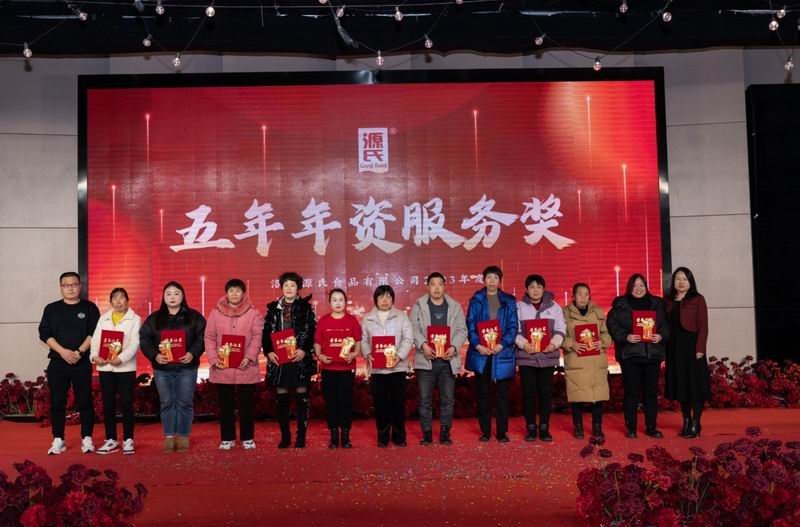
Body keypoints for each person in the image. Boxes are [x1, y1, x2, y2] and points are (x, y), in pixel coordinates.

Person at [140, 281, 206, 452]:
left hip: (187, 367)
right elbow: (144, 339)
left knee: (185, 402)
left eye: (176, 293)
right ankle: (169, 436)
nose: (172, 297)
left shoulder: (194, 317)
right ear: (163, 297)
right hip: (162, 369)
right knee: (167, 402)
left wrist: (192, 353)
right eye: (168, 294)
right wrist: (155, 355)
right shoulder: (154, 319)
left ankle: (183, 436)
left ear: (183, 296)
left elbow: (202, 337)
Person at [38, 272, 100, 455]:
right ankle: (58, 439)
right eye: (66, 285)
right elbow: (44, 333)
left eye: (74, 284)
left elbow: (94, 332)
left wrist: (79, 352)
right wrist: (63, 352)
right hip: (58, 362)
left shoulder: (90, 308)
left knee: (85, 401)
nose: (70, 288)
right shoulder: (51, 309)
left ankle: (87, 438)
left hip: (82, 362)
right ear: (61, 288)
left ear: (80, 286)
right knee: (57, 402)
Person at [607, 274, 669, 439]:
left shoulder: (657, 305)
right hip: (630, 355)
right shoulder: (620, 305)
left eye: (641, 285)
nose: (638, 288)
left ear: (646, 287)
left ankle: (651, 427)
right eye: (635, 286)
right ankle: (631, 428)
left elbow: (666, 326)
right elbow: (612, 325)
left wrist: (660, 336)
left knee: (650, 393)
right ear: (629, 287)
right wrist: (625, 336)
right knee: (631, 392)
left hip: (652, 355)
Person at [204, 279, 263, 450]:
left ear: (243, 293)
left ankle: (247, 437)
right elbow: (209, 337)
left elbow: (257, 337)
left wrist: (249, 357)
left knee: (247, 405)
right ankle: (227, 438)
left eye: (238, 290)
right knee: (226, 405)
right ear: (226, 293)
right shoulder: (215, 313)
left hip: (246, 366)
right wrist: (214, 359)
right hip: (223, 366)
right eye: (231, 290)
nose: (234, 294)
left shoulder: (253, 313)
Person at [410, 272, 468, 445]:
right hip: (425, 361)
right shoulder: (419, 305)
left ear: (444, 286)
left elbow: (462, 330)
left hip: (447, 362)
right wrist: (423, 345)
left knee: (448, 400)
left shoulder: (455, 306)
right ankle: (427, 433)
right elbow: (413, 328)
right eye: (433, 284)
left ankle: (444, 432)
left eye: (440, 284)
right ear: (427, 287)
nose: (436, 288)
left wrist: (454, 347)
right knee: (424, 400)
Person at [262, 272, 316, 449]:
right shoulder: (273, 309)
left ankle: (301, 438)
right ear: (281, 287)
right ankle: (285, 437)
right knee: (282, 400)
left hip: (299, 359)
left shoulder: (306, 308)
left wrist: (303, 350)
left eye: (292, 285)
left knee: (302, 399)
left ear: (298, 288)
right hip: (280, 361)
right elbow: (266, 333)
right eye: (286, 285)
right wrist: (269, 352)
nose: (289, 288)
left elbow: (311, 331)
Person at [465, 266, 518, 442]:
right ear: (484, 280)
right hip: (482, 353)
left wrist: (502, 344)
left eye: (495, 278)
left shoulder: (509, 301)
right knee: (483, 394)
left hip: (502, 353)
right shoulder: (476, 300)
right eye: (489, 277)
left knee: (502, 395)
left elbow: (513, 327)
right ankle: (485, 431)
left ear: (500, 280)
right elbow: (470, 325)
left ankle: (502, 432)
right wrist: (478, 345)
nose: (492, 281)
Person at [514, 274, 566, 442]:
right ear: (526, 290)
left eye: (538, 287)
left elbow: (561, 329)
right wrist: (524, 344)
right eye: (532, 287)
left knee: (546, 394)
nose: (535, 290)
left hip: (547, 356)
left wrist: (554, 344)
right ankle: (530, 427)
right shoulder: (519, 307)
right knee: (528, 394)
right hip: (526, 357)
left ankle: (544, 427)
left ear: (543, 289)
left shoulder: (555, 307)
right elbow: (514, 330)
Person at [89, 287, 142, 454]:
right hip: (105, 367)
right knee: (108, 404)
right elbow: (95, 340)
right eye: (115, 298)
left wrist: (121, 358)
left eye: (121, 298)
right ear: (110, 301)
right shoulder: (103, 318)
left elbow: (134, 344)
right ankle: (111, 439)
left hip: (125, 368)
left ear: (127, 300)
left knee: (126, 404)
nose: (118, 301)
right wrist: (94, 356)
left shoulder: (135, 319)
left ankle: (128, 440)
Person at [361, 285, 413, 447]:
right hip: (377, 369)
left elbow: (408, 339)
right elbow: (363, 340)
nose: (385, 300)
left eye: (388, 297)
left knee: (398, 404)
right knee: (380, 405)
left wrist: (399, 356)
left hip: (397, 368)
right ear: (375, 299)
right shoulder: (367, 318)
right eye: (381, 297)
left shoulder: (402, 316)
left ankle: (399, 437)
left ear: (393, 299)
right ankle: (383, 437)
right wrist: (367, 354)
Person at [561, 283, 612, 439]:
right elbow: (558, 335)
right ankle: (578, 427)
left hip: (596, 360)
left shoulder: (597, 312)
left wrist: (602, 342)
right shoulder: (564, 313)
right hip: (576, 359)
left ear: (589, 296)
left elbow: (606, 334)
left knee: (598, 396)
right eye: (579, 294)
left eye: (586, 294)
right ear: (573, 296)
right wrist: (571, 343)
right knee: (576, 395)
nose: (583, 297)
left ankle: (597, 427)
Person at [664, 267, 710, 439]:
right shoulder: (668, 301)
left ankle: (696, 423)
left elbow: (703, 327)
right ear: (673, 282)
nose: (681, 282)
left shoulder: (698, 299)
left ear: (690, 281)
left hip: (692, 347)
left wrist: (700, 349)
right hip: (675, 348)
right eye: (678, 279)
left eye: (684, 279)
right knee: (682, 386)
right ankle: (686, 421)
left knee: (695, 386)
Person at [314, 288, 362, 449]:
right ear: (329, 303)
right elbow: (317, 342)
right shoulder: (324, 321)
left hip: (347, 369)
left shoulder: (352, 320)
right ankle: (334, 435)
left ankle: (346, 435)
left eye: (341, 299)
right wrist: (320, 355)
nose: (338, 303)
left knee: (346, 403)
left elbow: (358, 341)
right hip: (329, 369)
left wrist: (354, 353)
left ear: (345, 302)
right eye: (334, 300)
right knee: (331, 403)